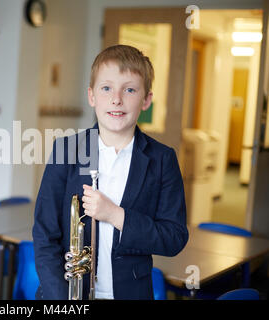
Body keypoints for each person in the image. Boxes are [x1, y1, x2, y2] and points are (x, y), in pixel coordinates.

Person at [32, 44, 189, 300]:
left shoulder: (162, 159)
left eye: (129, 90)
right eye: (106, 88)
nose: (116, 99)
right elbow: (44, 236)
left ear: (146, 99)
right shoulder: (65, 150)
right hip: (67, 294)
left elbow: (174, 238)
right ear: (92, 96)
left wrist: (116, 215)